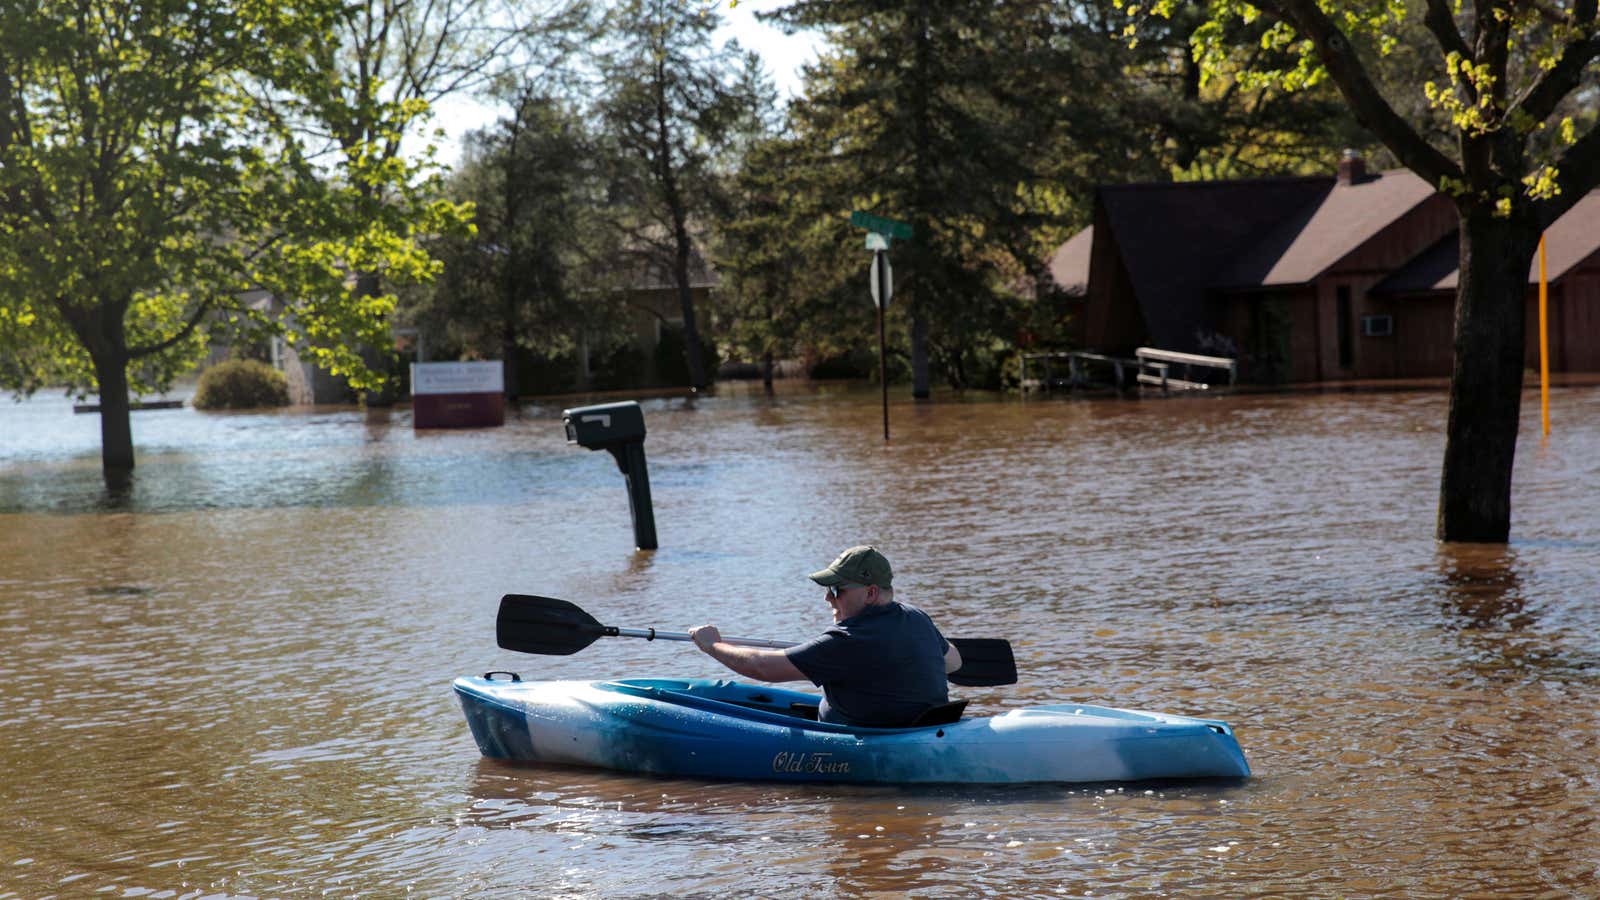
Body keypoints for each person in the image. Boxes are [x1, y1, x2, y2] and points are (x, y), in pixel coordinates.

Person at [689, 545, 962, 727]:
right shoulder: (917, 617)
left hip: (869, 742)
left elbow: (761, 667)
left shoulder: (850, 640)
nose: (828, 598)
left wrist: (713, 645)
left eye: (836, 590)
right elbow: (953, 663)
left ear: (870, 593)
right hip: (920, 727)